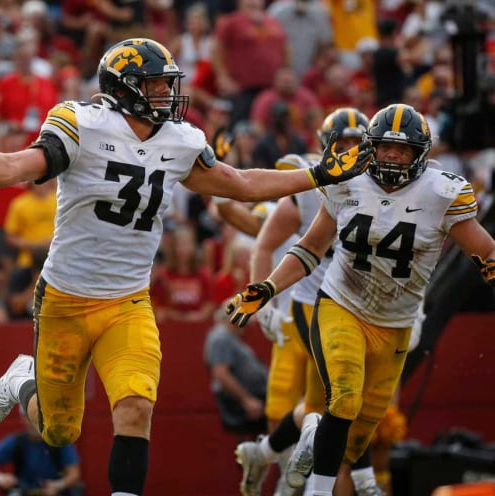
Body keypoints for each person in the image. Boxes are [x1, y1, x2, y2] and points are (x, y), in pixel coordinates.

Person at [0, 37, 374, 496]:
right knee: (60, 431)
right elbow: (18, 164)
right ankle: (24, 379)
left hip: (129, 301)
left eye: (167, 84)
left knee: (136, 407)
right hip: (65, 297)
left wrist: (318, 174)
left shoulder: (180, 140)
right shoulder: (82, 123)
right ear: (124, 88)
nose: (167, 93)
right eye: (157, 84)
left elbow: (238, 183)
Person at [225, 103, 495, 496]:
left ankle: (303, 444)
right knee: (345, 397)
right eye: (385, 147)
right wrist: (266, 288)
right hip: (341, 303)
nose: (391, 156)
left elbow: (485, 252)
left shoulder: (441, 193)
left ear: (420, 155)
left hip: (396, 319)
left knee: (363, 432)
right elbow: (309, 247)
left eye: (402, 150)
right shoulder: (346, 180)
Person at [236, 108, 394, 496]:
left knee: (319, 402)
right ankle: (361, 480)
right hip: (314, 304)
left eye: (360, 144)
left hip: (361, 303)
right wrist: (267, 299)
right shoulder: (310, 186)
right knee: (342, 392)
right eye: (344, 144)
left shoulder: (386, 184)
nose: (353, 151)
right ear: (327, 147)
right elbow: (267, 245)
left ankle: (266, 452)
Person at [0, 411, 83, 496]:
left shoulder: (59, 440)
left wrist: (58, 485)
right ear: (23, 418)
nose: (33, 423)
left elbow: (74, 474)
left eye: (38, 417)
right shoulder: (16, 442)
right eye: (29, 417)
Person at [204, 304, 268, 437]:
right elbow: (221, 374)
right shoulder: (221, 337)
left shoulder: (228, 336)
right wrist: (247, 400)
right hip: (250, 400)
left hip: (257, 396)